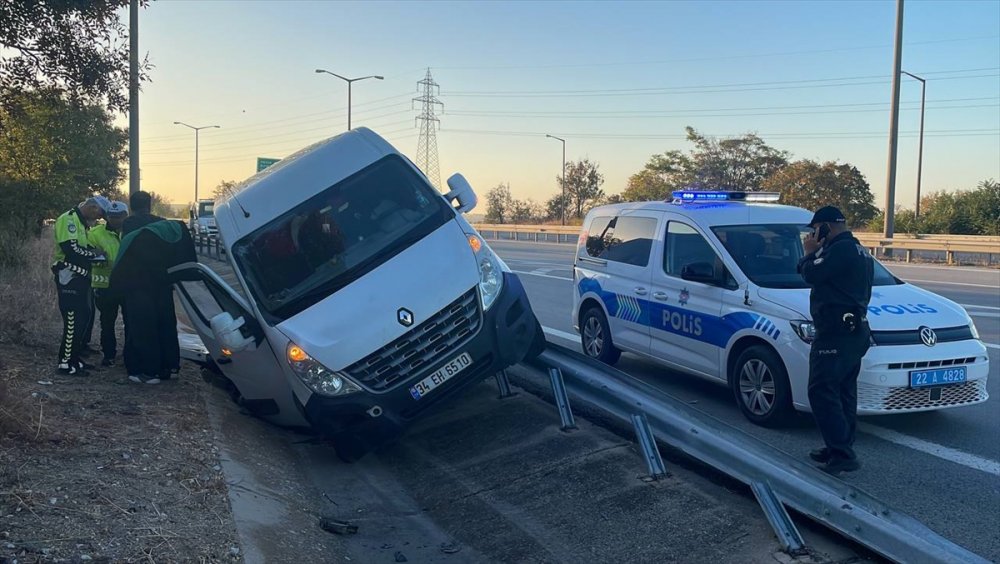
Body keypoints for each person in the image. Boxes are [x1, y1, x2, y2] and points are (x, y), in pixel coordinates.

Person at [797, 206, 874, 475]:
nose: (813, 234)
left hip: (836, 332)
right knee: (842, 392)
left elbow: (810, 274)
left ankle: (842, 454)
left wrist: (808, 253)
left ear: (826, 227)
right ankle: (839, 446)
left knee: (821, 391)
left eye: (815, 229)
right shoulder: (858, 249)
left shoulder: (838, 250)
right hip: (853, 330)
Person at [113, 192, 195, 384]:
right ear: (150, 205)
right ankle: (170, 367)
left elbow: (126, 252)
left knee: (142, 327)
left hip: (138, 285)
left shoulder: (130, 224)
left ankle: (148, 372)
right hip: (163, 284)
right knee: (166, 325)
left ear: (131, 207)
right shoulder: (165, 224)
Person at [52, 196, 111, 375]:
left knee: (83, 318)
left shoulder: (81, 222)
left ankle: (74, 358)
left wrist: (92, 255)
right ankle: (65, 363)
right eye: (100, 214)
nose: (99, 218)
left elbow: (81, 247)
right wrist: (93, 255)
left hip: (81, 277)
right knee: (73, 320)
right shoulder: (68, 219)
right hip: (69, 276)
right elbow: (71, 248)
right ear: (93, 207)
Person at [88, 201, 129, 367]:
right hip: (104, 286)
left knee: (131, 322)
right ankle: (109, 355)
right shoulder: (95, 233)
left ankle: (129, 354)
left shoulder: (131, 232)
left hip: (128, 285)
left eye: (119, 217)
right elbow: (88, 256)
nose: (115, 220)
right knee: (107, 323)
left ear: (126, 216)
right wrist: (96, 256)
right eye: (112, 217)